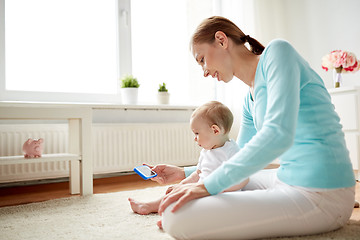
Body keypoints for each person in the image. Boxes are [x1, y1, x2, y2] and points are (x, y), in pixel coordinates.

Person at [152, 16, 356, 240]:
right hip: (285, 179)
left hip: (322, 194)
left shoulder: (278, 53)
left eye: (202, 60)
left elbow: (278, 134)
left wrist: (205, 187)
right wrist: (186, 174)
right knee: (214, 187)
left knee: (176, 216)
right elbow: (236, 157)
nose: (204, 72)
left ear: (221, 40)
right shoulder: (250, 99)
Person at [128, 101, 249, 222]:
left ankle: (173, 219)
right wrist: (181, 186)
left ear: (215, 130)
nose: (195, 138)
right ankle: (151, 206)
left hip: (222, 198)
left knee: (190, 206)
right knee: (178, 195)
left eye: (197, 133)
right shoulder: (206, 151)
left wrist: (215, 187)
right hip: (201, 192)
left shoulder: (232, 151)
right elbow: (197, 174)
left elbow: (243, 179)